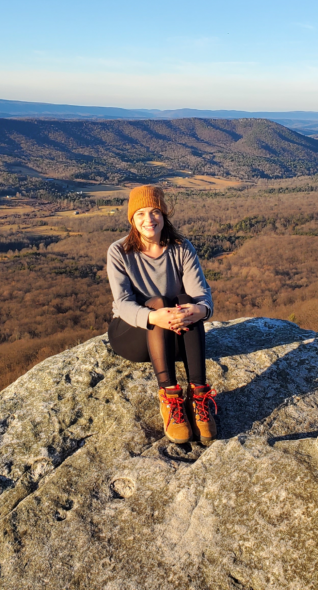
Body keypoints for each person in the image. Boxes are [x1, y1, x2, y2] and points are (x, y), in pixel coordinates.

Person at [106, 185, 218, 445]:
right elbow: (122, 304)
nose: (149, 219)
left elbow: (202, 295)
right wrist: (153, 317)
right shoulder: (119, 251)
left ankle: (199, 395)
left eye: (155, 212)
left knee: (186, 302)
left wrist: (199, 310)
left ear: (164, 215)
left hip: (176, 338)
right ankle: (169, 396)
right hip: (134, 337)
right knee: (156, 303)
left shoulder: (181, 247)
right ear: (132, 219)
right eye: (141, 213)